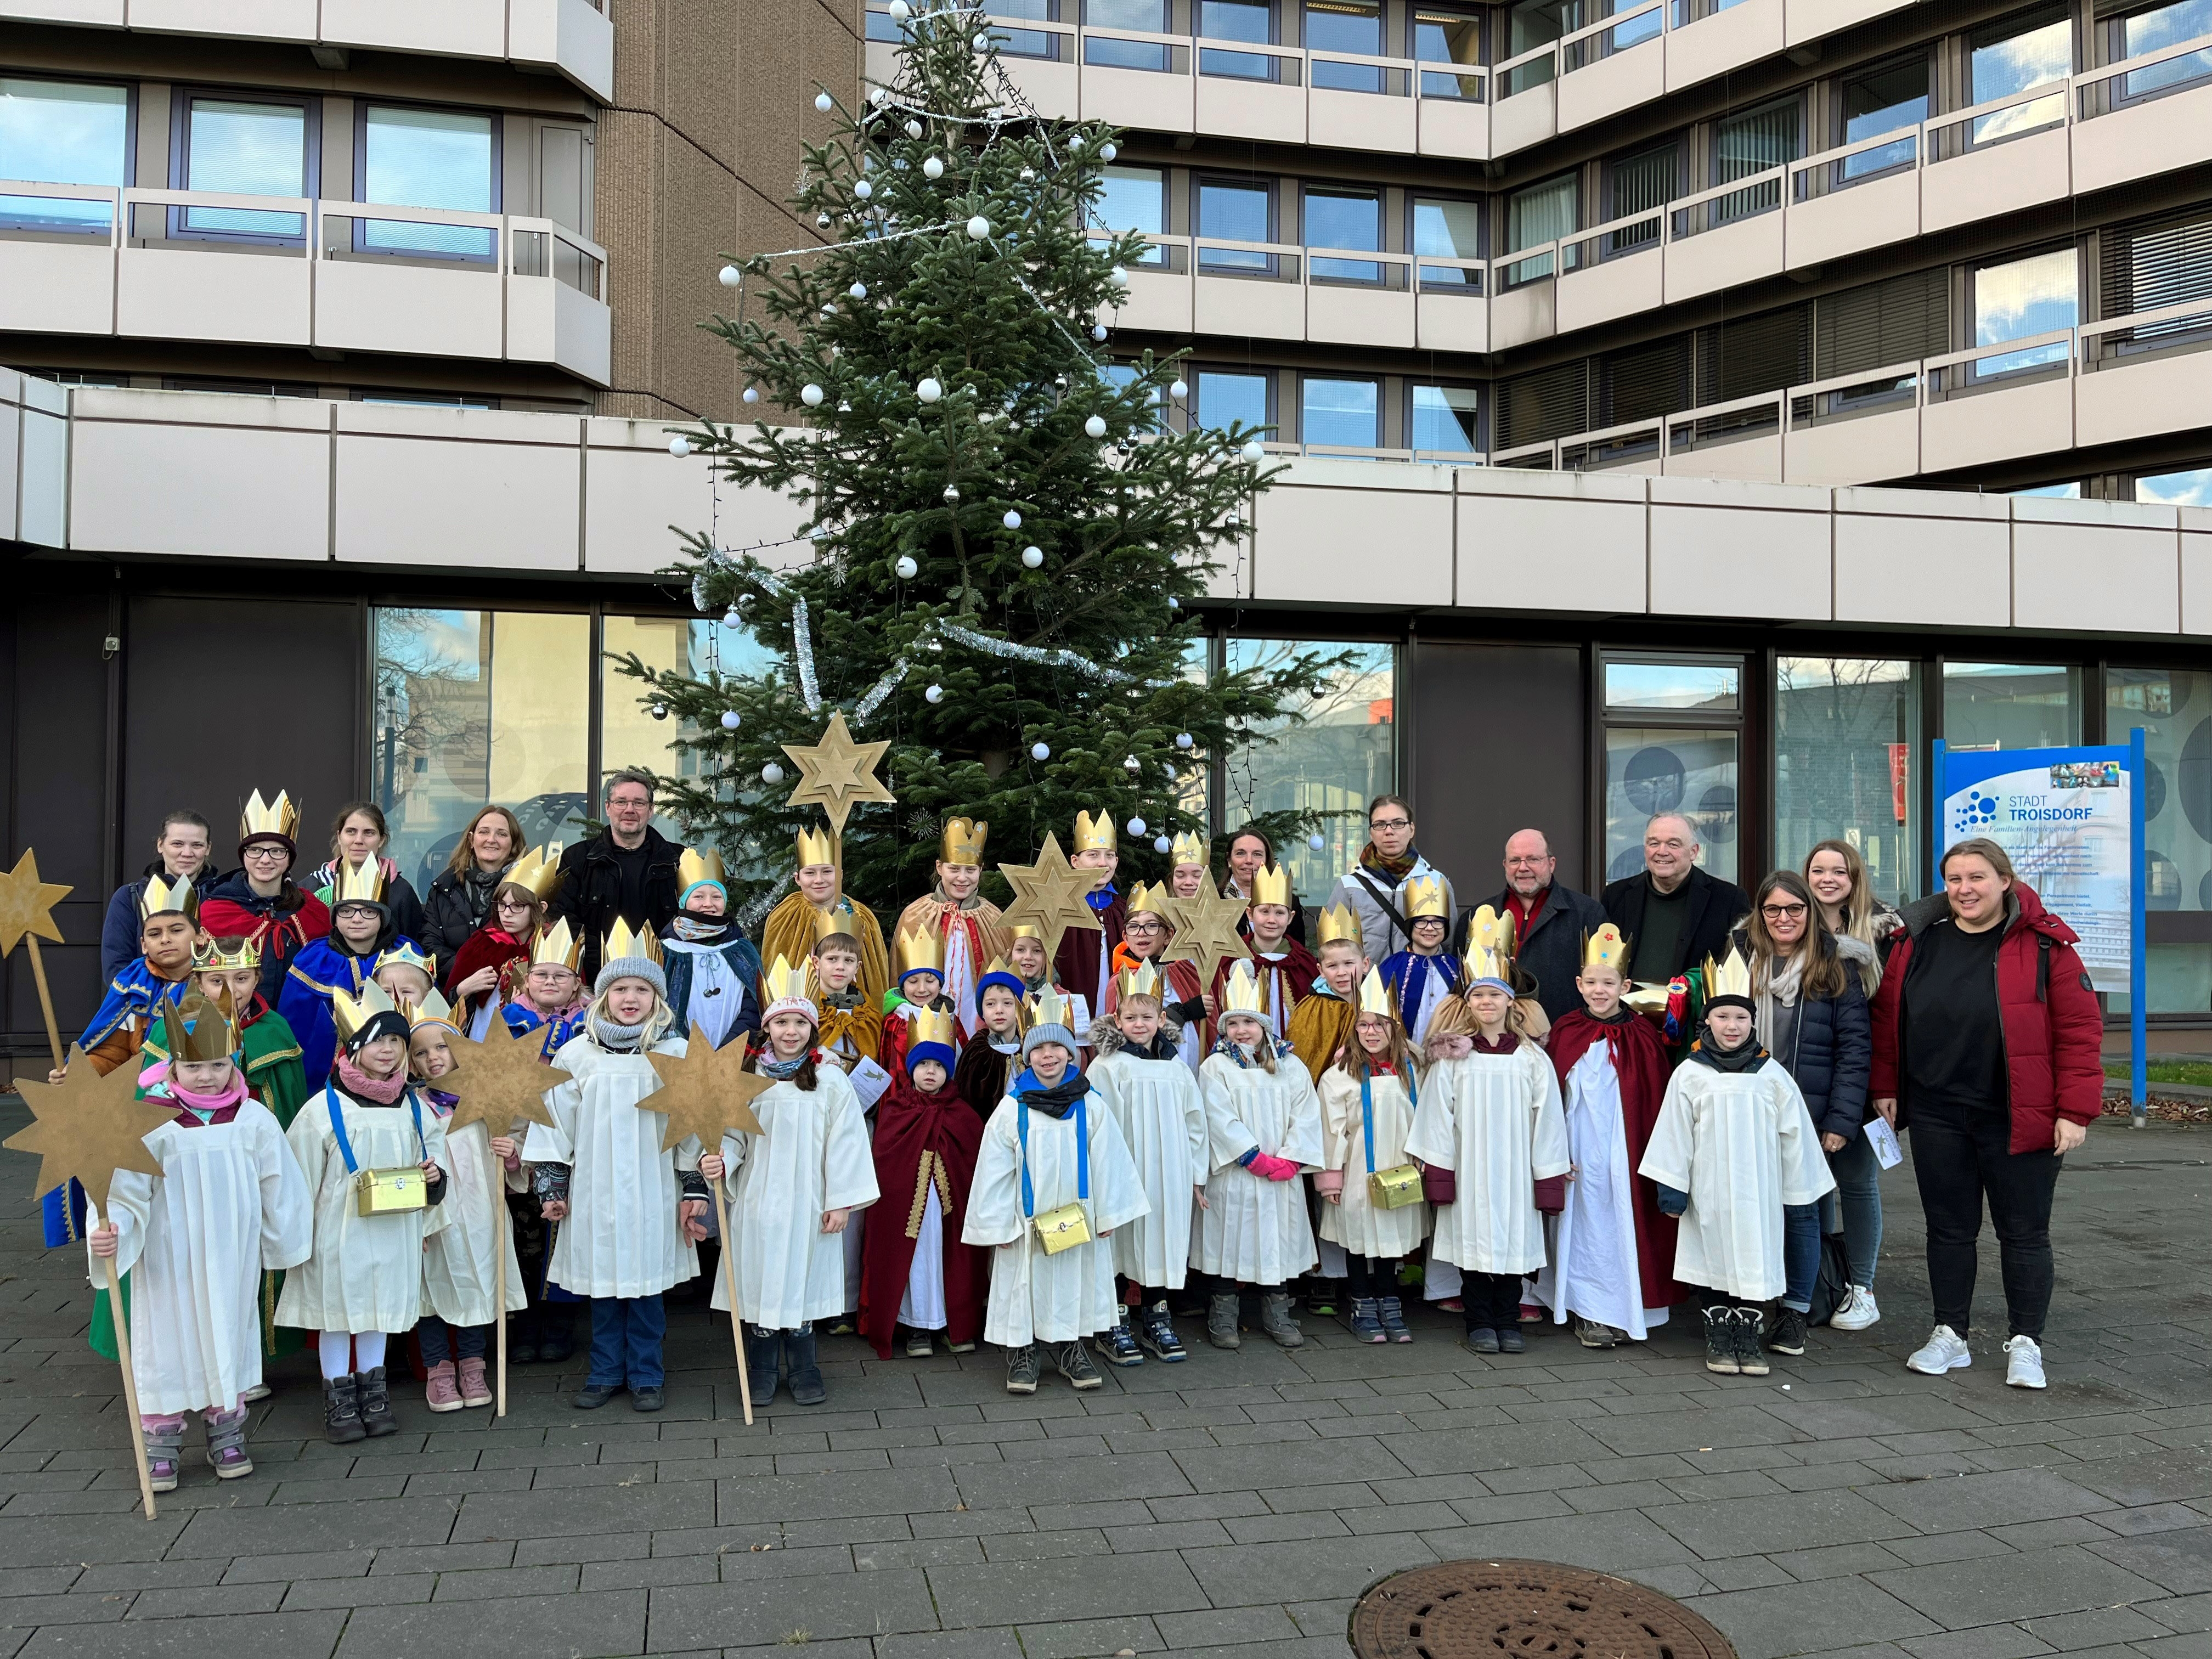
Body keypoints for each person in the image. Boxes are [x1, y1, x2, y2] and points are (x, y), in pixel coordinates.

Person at [1869, 838, 2100, 1391]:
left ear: (2004, 881)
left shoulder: (2047, 948)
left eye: (1976, 878)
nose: (1964, 889)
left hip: (2019, 1114)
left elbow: (2079, 1032)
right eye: (1954, 880)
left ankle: (2027, 1343)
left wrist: (2075, 1111)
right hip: (1937, 1110)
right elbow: (1886, 1019)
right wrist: (1886, 1085)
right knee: (1948, 1231)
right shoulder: (1915, 942)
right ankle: (1950, 1334)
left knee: (2023, 1233)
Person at [86, 994, 312, 1492]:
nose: (206, 1076)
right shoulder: (148, 1122)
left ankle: (226, 1431)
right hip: (168, 1254)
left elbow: (280, 1182)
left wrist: (283, 1242)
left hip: (231, 1254)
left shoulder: (253, 1119)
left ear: (232, 1062)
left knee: (227, 1332)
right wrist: (112, 1231)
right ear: (173, 1066)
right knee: (165, 1338)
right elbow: (123, 1189)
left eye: (216, 1064)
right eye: (194, 1066)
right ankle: (161, 1441)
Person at [524, 922, 707, 1413]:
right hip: (595, 1190)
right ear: (602, 997)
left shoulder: (674, 1055)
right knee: (603, 1285)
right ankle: (606, 1370)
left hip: (653, 1189)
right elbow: (554, 1124)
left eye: (642, 990)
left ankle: (647, 1374)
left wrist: (695, 1188)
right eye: (620, 989)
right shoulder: (577, 1054)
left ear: (657, 999)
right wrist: (552, 1187)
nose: (631, 998)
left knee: (646, 1289)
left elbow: (693, 1129)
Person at [1640, 947, 1835, 1377]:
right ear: (1707, 1020)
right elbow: (1673, 1133)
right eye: (1723, 1017)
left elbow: (1796, 1136)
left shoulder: (1771, 1075)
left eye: (1741, 1018)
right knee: (1710, 1254)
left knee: (1754, 1254)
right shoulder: (1690, 1073)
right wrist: (1672, 1188)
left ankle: (1747, 1334)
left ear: (1753, 1022)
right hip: (1707, 1190)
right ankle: (1718, 1332)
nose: (1732, 1026)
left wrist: (1797, 1191)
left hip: (1758, 1192)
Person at [277, 983, 452, 1443]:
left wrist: (434, 1180)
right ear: (353, 1047)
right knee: (338, 1311)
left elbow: (436, 1156)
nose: (388, 1050)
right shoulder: (322, 1110)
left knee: (381, 1309)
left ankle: (374, 1393)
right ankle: (338, 1398)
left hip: (396, 1227)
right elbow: (299, 1178)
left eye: (395, 1040)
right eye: (376, 1040)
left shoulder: (414, 1107)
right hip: (339, 1231)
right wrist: (299, 1236)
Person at [704, 956, 878, 1404]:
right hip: (760, 1200)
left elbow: (847, 1143)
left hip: (809, 1200)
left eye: (799, 1022)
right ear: (767, 1028)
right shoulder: (749, 1078)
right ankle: (760, 1366)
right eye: (781, 1022)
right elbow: (735, 1137)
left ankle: (804, 1365)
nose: (790, 1032)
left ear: (811, 1028)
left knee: (801, 1280)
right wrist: (723, 1162)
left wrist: (841, 1201)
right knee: (761, 1279)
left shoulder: (830, 1081)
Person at [963, 988, 1148, 1394]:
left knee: (1073, 1282)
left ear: (1071, 1054)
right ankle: (1024, 1352)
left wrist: (1109, 1214)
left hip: (1078, 1215)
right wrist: (998, 1225)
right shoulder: (1012, 1108)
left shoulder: (1091, 1104)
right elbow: (993, 1170)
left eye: (1056, 1048)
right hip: (1025, 1219)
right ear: (1026, 1057)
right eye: (1039, 1049)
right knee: (1024, 1284)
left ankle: (1071, 1348)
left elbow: (1110, 1160)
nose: (1048, 1056)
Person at [1406, 927, 1570, 1357]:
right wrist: (1441, 1173)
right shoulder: (1454, 1059)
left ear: (1510, 1002)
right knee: (1474, 1245)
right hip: (1471, 1166)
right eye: (1478, 996)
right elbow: (1436, 1118)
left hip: (1516, 1169)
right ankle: (1479, 1320)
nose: (1487, 1003)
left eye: (1494, 996)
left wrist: (1547, 1176)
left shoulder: (1532, 1058)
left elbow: (1548, 1118)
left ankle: (1508, 1318)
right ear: (1469, 1003)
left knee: (1515, 1246)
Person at [1738, 870, 1870, 1357]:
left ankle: (1795, 1310)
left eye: (1794, 909)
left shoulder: (1836, 968)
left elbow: (1855, 1051)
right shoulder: (1741, 963)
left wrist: (1840, 1121)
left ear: (1809, 913)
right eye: (1773, 909)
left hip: (1810, 1112)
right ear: (1761, 914)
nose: (1783, 918)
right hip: (1748, 1110)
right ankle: (1751, 1299)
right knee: (1751, 1207)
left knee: (1802, 1212)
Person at [1535, 924, 1679, 1348]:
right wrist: (1554, 1151)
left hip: (1625, 1150)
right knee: (1583, 1225)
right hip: (1578, 1147)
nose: (1600, 991)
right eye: (1592, 983)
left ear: (1626, 985)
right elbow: (1549, 1098)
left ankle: (1625, 1308)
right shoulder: (1564, 1031)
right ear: (1579, 985)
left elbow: (1653, 1104)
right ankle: (1588, 1309)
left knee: (1622, 1223)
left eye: (1609, 983)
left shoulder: (1644, 1037)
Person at [1194, 961, 1324, 1352]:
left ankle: (1278, 1312)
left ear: (1264, 1027)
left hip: (1280, 1174)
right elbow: (1216, 1116)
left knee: (1275, 1242)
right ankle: (1222, 1314)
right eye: (1233, 1024)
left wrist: (1290, 1158)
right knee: (1228, 1243)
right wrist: (1251, 1156)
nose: (1241, 1031)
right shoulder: (1214, 1067)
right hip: (1236, 1173)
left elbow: (1307, 1111)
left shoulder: (1290, 1065)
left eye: (1249, 1023)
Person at [405, 990, 525, 1414]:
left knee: (481, 1281)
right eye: (420, 1053)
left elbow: (517, 1160)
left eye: (442, 1047)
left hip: (480, 1210)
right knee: (433, 1287)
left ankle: (473, 1365)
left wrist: (511, 1152)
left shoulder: (487, 1101)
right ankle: (439, 1369)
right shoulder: (410, 1108)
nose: (433, 1059)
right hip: (435, 1214)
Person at [1086, 964, 1209, 1364]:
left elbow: (1195, 1122)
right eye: (1131, 1018)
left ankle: (1157, 1317)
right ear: (1117, 1021)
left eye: (1148, 1017)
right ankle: (1115, 1321)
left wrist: (1195, 1174)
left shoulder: (1176, 1067)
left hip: (1169, 1174)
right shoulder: (1107, 1066)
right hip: (1126, 1170)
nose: (1140, 1024)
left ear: (1161, 1020)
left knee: (1161, 1239)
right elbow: (1097, 1122)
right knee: (1121, 1241)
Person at [1803, 838, 1895, 1334]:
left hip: (1868, 1074)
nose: (1829, 879)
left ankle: (1863, 1287)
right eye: (1819, 870)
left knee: (1858, 1182)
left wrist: (1889, 1082)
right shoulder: (1791, 924)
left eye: (1840, 871)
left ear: (1855, 878)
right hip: (1815, 1077)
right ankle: (1820, 1281)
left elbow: (1896, 1011)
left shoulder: (1886, 932)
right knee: (1814, 1185)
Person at [856, 1006, 985, 1362]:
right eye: (925, 1065)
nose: (931, 1072)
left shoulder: (963, 1114)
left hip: (947, 1212)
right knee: (911, 1262)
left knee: (949, 1259)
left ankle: (952, 1323)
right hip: (907, 1212)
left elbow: (971, 1163)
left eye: (940, 1066)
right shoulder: (896, 1110)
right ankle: (916, 1326)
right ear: (912, 1068)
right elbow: (887, 1160)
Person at [1316, 969, 1430, 1345]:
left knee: (1390, 1237)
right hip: (1356, 1170)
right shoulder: (1340, 1075)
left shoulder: (1412, 1070)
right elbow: (1332, 1128)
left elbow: (1426, 1118)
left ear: (1394, 1029)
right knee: (1359, 1235)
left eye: (1380, 1025)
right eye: (1364, 1025)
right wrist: (1331, 1175)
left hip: (1400, 1167)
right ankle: (1362, 1303)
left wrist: (1425, 1159)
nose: (1371, 1032)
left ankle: (1390, 1300)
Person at [279, 857, 419, 1085]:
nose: (356, 919)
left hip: (395, 1073)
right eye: (346, 911)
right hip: (321, 1078)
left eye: (368, 912)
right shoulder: (313, 960)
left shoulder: (406, 954)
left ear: (382, 916)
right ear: (335, 917)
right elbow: (295, 1025)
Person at [1457, 829, 1611, 1024]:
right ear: (1505, 865)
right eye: (1515, 860)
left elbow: (1603, 985)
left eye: (1533, 859)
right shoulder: (1475, 918)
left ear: (1551, 864)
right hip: (1491, 1042)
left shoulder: (1587, 914)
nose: (1523, 868)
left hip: (1561, 1037)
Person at [548, 772, 686, 984]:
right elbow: (564, 920)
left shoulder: (678, 861)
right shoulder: (578, 859)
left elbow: (691, 921)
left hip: (662, 979)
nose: (629, 810)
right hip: (594, 980)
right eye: (621, 802)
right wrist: (604, 958)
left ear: (651, 810)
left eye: (639, 803)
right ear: (608, 807)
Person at [199, 791, 331, 1006]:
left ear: (289, 858)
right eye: (256, 850)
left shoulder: (311, 910)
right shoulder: (215, 910)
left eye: (277, 851)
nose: (265, 859)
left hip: (298, 1023)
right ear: (244, 855)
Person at [67, 873, 200, 1082]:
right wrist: (80, 1072)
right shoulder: (130, 987)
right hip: (143, 1096)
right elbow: (110, 1057)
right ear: (144, 945)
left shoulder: (218, 983)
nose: (165, 940)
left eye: (176, 930)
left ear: (200, 937)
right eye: (155, 934)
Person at [1602, 814, 1748, 989]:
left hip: (1695, 1013)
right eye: (1654, 843)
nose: (1662, 851)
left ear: (1694, 851)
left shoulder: (1729, 899)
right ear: (1645, 849)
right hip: (1628, 1011)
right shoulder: (1616, 895)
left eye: (1673, 844)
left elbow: (1739, 969)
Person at [893, 818, 1007, 1041]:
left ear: (981, 870)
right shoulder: (916, 915)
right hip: (926, 1025)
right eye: (954, 869)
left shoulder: (994, 918)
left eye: (971, 870)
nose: (962, 878)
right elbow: (899, 977)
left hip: (979, 1023)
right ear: (939, 867)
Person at [759, 822, 891, 1011]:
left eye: (827, 871)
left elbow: (875, 977)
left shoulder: (863, 918)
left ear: (841, 874)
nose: (819, 880)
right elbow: (774, 970)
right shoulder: (785, 915)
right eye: (810, 873)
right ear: (797, 878)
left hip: (855, 1013)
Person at [444, 847, 565, 1031]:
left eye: (517, 906)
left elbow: (575, 996)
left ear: (540, 908)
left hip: (545, 1034)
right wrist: (464, 988)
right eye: (502, 905)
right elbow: (447, 1003)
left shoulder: (556, 944)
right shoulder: (482, 944)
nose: (506, 914)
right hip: (484, 1033)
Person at [1327, 795, 1455, 963]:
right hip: (1366, 985)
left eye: (1398, 823)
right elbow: (1332, 945)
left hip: (1419, 983)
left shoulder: (1436, 882)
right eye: (1380, 825)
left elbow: (1448, 943)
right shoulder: (1350, 885)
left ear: (1411, 829)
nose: (1389, 831)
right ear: (1371, 832)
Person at [659, 847, 764, 1052]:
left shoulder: (741, 949)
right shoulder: (667, 951)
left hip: (736, 1054)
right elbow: (658, 1008)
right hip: (679, 1055)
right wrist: (688, 1051)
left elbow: (755, 1005)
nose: (709, 904)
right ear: (683, 901)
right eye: (699, 897)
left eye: (716, 897)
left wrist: (731, 1049)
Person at [1102, 881, 1210, 1068]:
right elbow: (1115, 1037)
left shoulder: (1186, 973)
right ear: (1125, 937)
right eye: (1133, 927)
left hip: (1186, 1062)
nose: (1142, 934)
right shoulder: (1119, 981)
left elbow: (1209, 1027)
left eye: (1152, 926)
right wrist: (1180, 1014)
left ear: (1168, 935)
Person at [101, 810, 214, 985]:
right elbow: (117, 968)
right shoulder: (129, 897)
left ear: (208, 848)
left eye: (197, 845)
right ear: (161, 845)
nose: (187, 853)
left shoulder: (222, 896)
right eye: (177, 844)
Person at [1211, 863, 1316, 1040]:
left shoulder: (1305, 964)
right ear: (1250, 914)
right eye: (1264, 911)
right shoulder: (1230, 957)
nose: (1272, 920)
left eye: (1280, 913)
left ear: (1290, 918)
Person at [304, 803, 427, 947]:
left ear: (381, 840)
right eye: (351, 831)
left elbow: (411, 947)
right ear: (339, 837)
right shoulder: (311, 887)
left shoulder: (401, 892)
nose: (358, 840)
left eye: (369, 832)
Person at [420, 805, 526, 964]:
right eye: (484, 832)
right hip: (453, 985)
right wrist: (466, 971)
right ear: (471, 840)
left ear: (514, 845)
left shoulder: (527, 890)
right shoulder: (443, 889)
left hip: (509, 986)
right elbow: (429, 944)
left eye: (502, 834)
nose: (491, 840)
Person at [1055, 810, 1126, 1011]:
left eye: (1109, 856)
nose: (1103, 863)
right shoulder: (1061, 909)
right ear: (1075, 862)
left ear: (1116, 862)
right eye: (1093, 855)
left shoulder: (1125, 910)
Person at [1377, 876, 1459, 1047]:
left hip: (1447, 1055)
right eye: (1421, 921)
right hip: (1404, 1054)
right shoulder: (1392, 966)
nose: (1429, 928)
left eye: (1437, 922)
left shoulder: (1456, 967)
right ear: (1411, 926)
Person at [1289, 906, 1365, 1085]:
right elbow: (1306, 1060)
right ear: (1320, 970)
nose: (1342, 972)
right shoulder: (1312, 1010)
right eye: (1332, 966)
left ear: (1366, 964)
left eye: (1349, 963)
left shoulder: (1376, 1002)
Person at [956, 956, 1030, 1116]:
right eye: (991, 1004)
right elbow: (968, 1101)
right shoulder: (976, 1052)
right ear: (981, 1010)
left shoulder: (1031, 1047)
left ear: (1021, 1008)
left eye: (1008, 1003)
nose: (999, 1010)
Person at [883, 924, 957, 1075]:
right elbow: (891, 1068)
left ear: (940, 985)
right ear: (903, 986)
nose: (922, 989)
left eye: (930, 981)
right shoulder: (896, 1021)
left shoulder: (950, 1017)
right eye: (913, 982)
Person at [811, 926, 884, 1068]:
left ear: (858, 967)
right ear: (816, 963)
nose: (840, 967)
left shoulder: (870, 1014)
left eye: (849, 960)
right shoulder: (805, 1009)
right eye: (832, 959)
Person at [1224, 826, 1309, 946]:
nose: (1249, 860)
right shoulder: (1212, 900)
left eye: (1257, 854)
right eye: (1240, 853)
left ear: (1267, 860)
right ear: (1229, 860)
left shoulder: (1290, 902)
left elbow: (1297, 953)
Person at [1169, 830, 1212, 902]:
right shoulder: (1158, 913)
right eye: (1180, 876)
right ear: (1172, 879)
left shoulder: (1225, 912)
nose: (1188, 882)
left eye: (1197, 876)